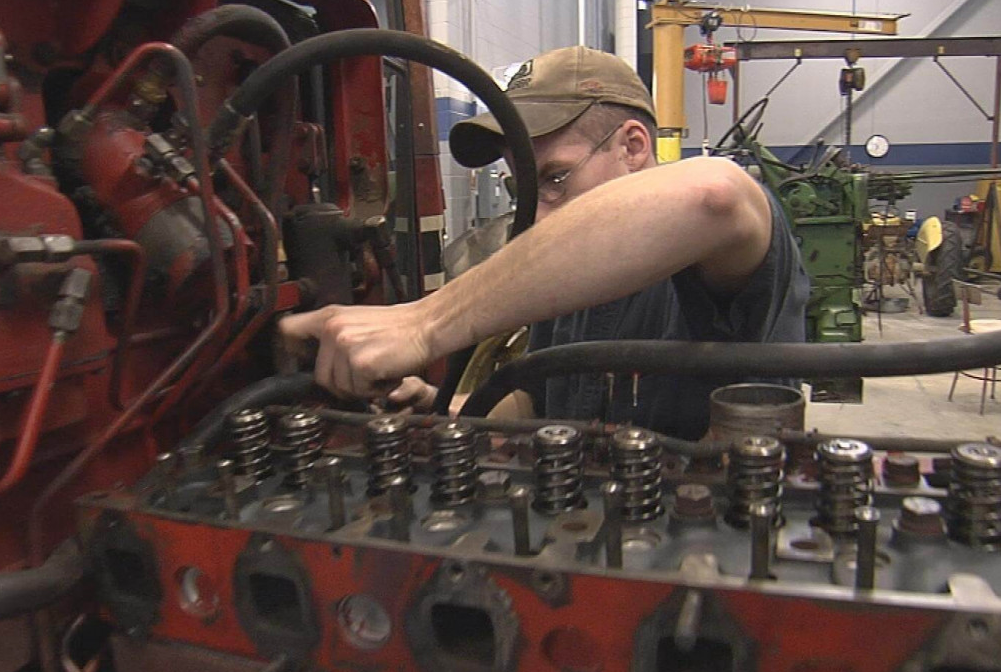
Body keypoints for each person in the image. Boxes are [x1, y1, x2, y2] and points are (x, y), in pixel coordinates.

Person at [279, 45, 809, 439]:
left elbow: (714, 193)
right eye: (524, 187)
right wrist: (442, 405)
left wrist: (425, 322)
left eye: (554, 177)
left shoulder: (719, 247)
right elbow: (538, 403)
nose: (538, 210)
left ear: (632, 146)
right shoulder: (560, 278)